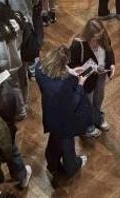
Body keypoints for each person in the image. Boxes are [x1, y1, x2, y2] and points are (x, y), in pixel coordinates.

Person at [34, 45, 93, 184]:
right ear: (62, 63)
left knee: (54, 140)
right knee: (68, 146)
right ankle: (72, 166)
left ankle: (52, 164)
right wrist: (80, 84)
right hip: (65, 120)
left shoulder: (39, 69)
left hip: (49, 113)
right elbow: (73, 103)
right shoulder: (64, 83)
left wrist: (71, 71)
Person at [68, 18, 115, 135]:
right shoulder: (77, 45)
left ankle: (98, 119)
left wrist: (112, 65)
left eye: (100, 35)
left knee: (99, 98)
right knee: (87, 102)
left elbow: (109, 51)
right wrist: (82, 71)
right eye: (95, 37)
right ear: (89, 34)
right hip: (86, 79)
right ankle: (88, 125)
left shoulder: (103, 37)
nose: (99, 39)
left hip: (101, 74)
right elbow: (71, 65)